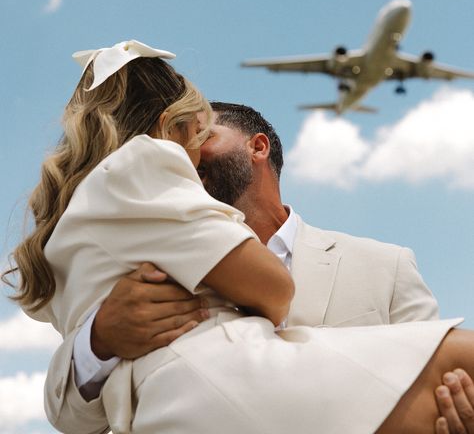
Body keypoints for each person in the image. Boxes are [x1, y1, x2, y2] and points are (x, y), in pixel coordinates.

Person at [3, 40, 474, 434]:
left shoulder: (385, 266)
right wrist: (99, 340)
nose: (195, 151)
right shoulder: (148, 213)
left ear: (258, 147)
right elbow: (67, 414)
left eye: (210, 132)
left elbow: (443, 384)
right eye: (193, 129)